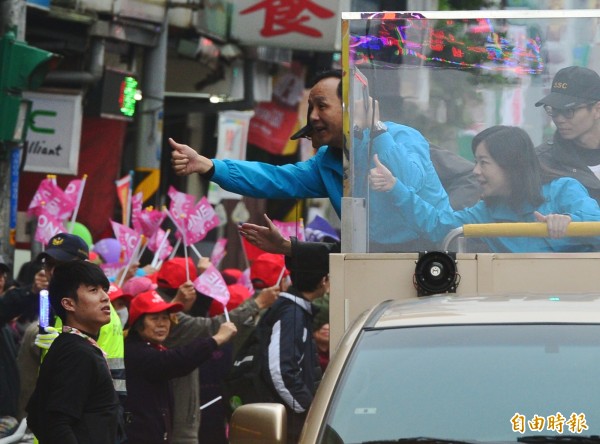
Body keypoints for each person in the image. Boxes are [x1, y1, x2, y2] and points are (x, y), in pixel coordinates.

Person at [370, 125, 600, 252]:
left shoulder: (563, 189)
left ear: (511, 166)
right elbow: (437, 225)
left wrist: (567, 222)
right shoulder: (484, 213)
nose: (476, 171)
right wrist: (395, 187)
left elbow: (594, 220)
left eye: (484, 163)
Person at [150, 256, 279, 443]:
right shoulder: (176, 324)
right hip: (177, 425)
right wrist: (256, 304)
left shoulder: (167, 314)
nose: (162, 323)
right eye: (155, 318)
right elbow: (208, 326)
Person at [124, 289, 237, 443]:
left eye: (165, 318)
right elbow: (176, 360)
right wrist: (216, 339)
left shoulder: (154, 348)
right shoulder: (135, 351)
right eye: (154, 318)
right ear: (138, 323)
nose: (162, 324)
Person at [26, 260, 120, 443]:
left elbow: (37, 415)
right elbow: (55, 422)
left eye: (104, 290)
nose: (105, 297)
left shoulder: (74, 346)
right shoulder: (77, 353)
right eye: (93, 290)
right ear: (68, 304)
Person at [257, 247, 330, 443]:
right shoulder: (292, 314)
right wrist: (309, 411)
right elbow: (279, 370)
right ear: (323, 280)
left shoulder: (295, 311)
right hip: (288, 426)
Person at [535, 66, 600, 204]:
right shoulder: (540, 163)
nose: (559, 119)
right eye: (554, 110)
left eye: (568, 110)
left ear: (597, 110)